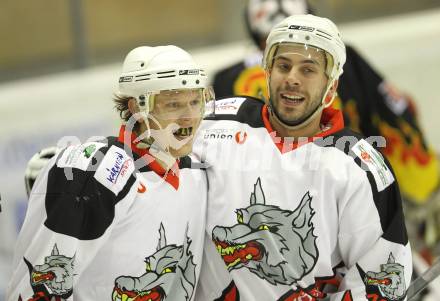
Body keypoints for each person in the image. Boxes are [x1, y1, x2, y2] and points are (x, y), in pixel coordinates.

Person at [193, 14, 412, 300]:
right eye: (283, 66)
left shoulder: (358, 167)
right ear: (267, 73)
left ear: (331, 87)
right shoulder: (211, 125)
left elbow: (382, 281)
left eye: (308, 70)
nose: (292, 79)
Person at [213, 0, 440, 258]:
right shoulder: (345, 62)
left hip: (258, 226)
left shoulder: (225, 80)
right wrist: (427, 191)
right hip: (342, 212)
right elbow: (399, 121)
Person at [7, 45, 212, 300]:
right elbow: (41, 288)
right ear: (136, 108)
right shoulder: (99, 172)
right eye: (173, 104)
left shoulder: (198, 170)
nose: (189, 116)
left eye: (195, 101)